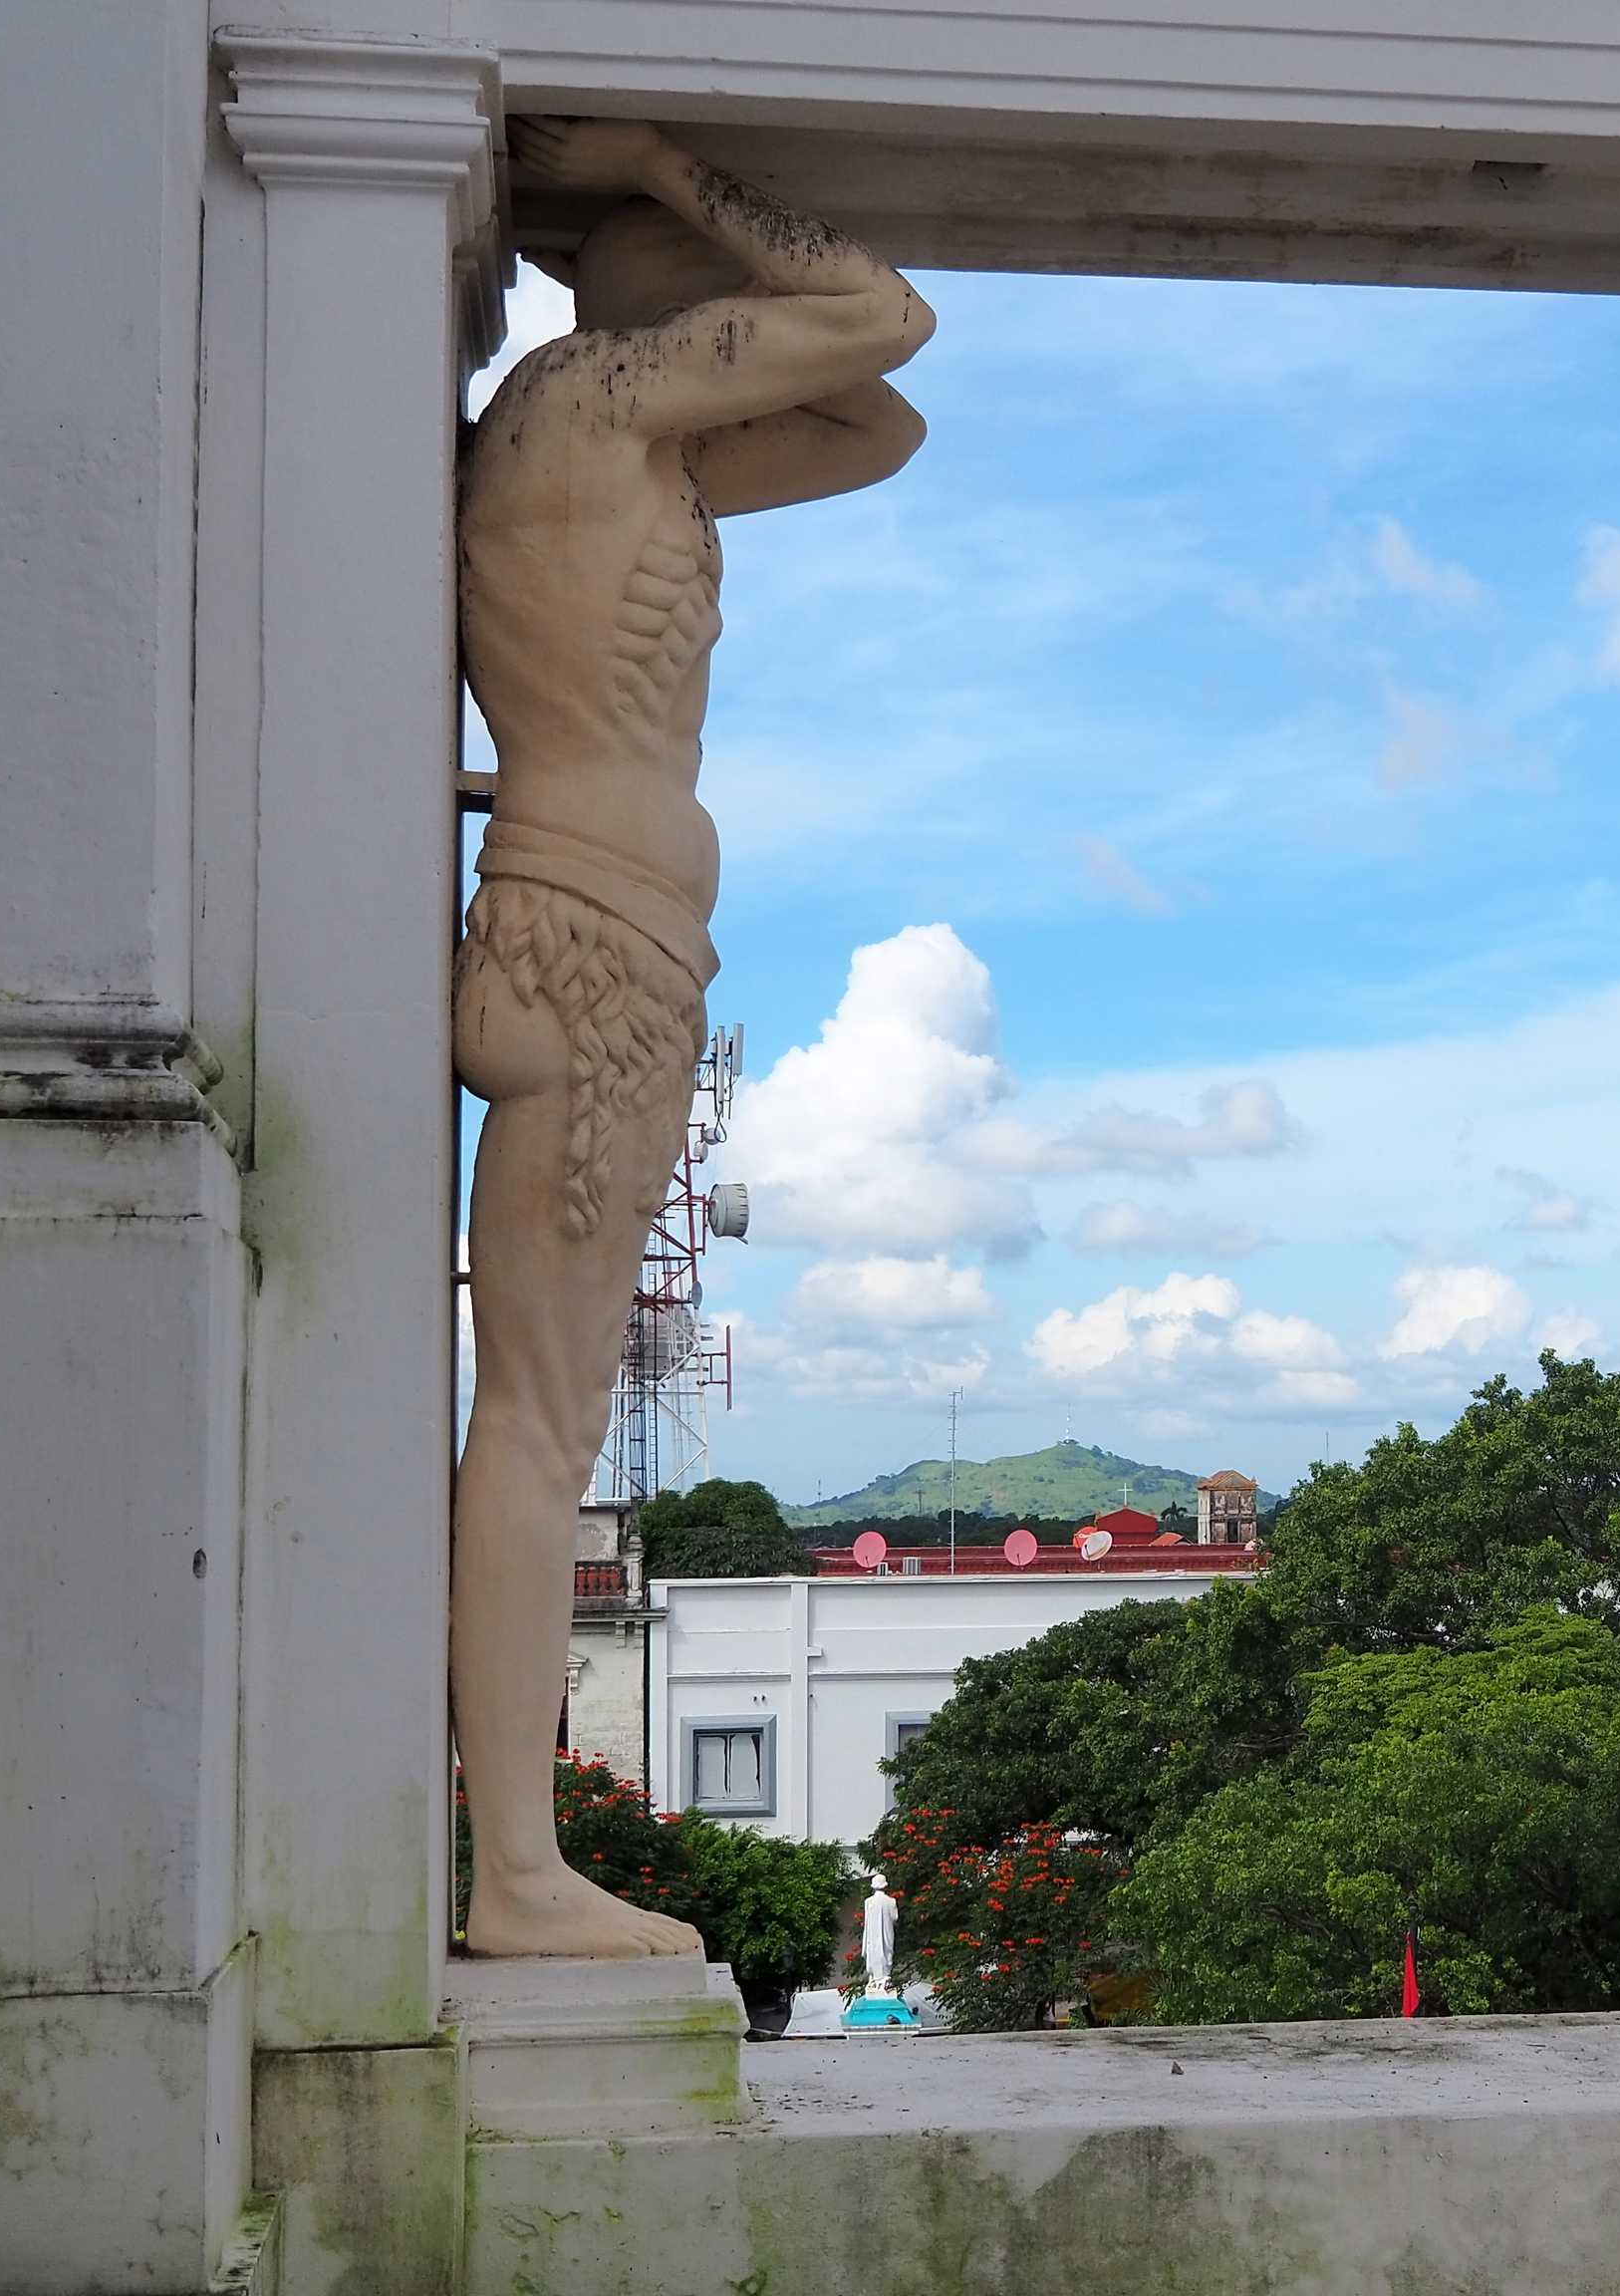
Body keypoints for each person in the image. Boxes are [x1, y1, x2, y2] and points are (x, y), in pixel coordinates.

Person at [453, 120, 933, 1956]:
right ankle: (517, 1875)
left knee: (541, 1415)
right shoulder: (585, 399)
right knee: (542, 1423)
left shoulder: (617, 448)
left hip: (604, 924)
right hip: (596, 934)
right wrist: (668, 162)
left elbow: (875, 424)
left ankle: (510, 1860)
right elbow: (880, 319)